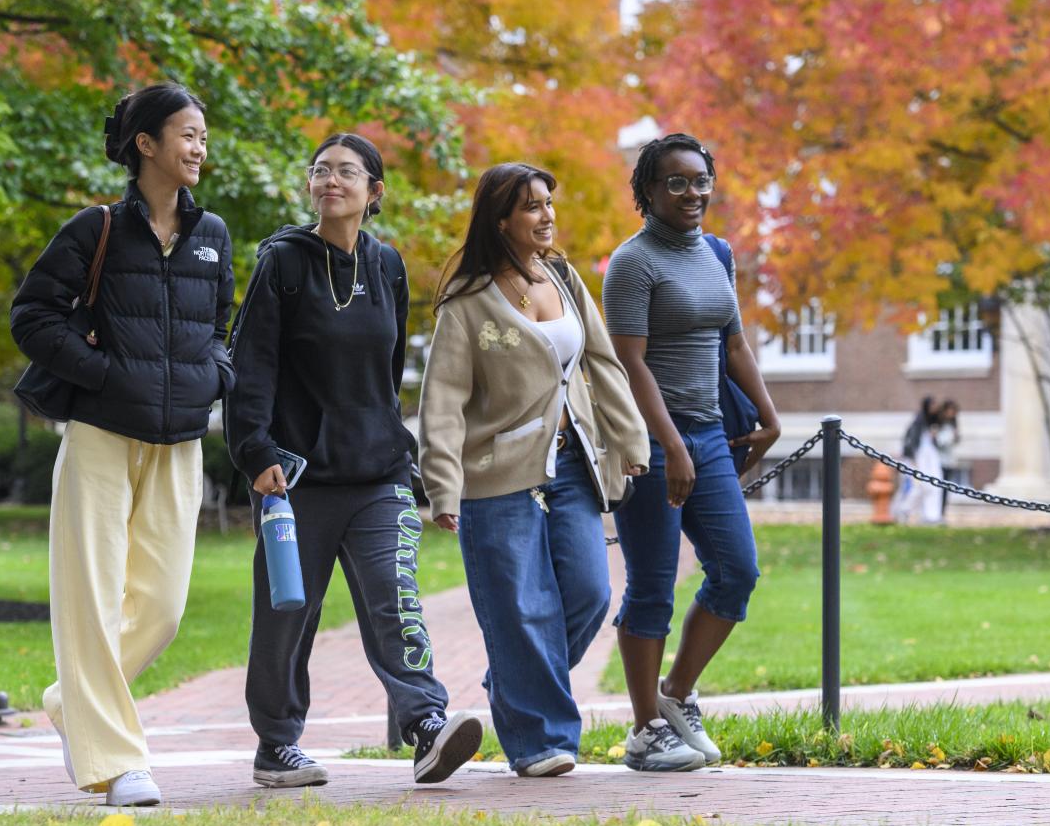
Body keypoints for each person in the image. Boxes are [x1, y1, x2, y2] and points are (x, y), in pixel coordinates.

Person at [224, 132, 482, 789]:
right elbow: (251, 366)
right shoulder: (281, 262)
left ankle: (426, 723)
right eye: (319, 170)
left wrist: (396, 444)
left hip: (379, 475)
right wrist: (254, 452)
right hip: (294, 478)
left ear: (374, 191)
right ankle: (276, 743)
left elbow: (386, 372)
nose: (330, 180)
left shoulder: (388, 265)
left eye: (346, 172)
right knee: (289, 614)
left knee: (397, 600)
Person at [10, 82, 235, 806]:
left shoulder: (213, 236)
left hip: (179, 440)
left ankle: (71, 700)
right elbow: (34, 316)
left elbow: (222, 331)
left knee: (162, 607)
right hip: (103, 436)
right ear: (146, 144)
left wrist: (211, 378)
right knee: (92, 598)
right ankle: (119, 764)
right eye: (187, 134)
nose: (199, 148)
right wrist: (105, 375)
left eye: (203, 136)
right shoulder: (96, 227)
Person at [418, 163, 648, 777]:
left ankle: (511, 685)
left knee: (589, 593)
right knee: (520, 606)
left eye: (549, 203)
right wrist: (443, 485)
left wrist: (630, 439)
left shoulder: (565, 277)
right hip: (496, 473)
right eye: (532, 207)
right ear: (501, 220)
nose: (547, 215)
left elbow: (602, 361)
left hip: (573, 462)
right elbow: (441, 402)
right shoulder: (466, 305)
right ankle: (540, 742)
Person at [602, 133, 781, 772]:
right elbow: (629, 361)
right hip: (653, 442)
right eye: (676, 182)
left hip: (709, 434)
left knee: (737, 570)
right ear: (647, 191)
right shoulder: (632, 262)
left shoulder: (717, 253)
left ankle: (676, 693)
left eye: (700, 180)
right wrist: (670, 447)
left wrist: (768, 414)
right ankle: (645, 727)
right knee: (651, 585)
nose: (693, 193)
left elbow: (733, 343)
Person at [933, 399, 961, 517]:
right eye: (950, 411)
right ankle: (936, 512)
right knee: (938, 488)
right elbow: (939, 442)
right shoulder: (939, 424)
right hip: (939, 461)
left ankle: (942, 512)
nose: (952, 414)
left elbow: (955, 441)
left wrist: (955, 437)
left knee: (945, 488)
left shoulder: (953, 424)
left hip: (949, 461)